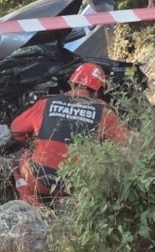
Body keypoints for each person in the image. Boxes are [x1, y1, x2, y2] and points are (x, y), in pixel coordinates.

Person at [10, 63, 129, 207]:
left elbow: (16, 130)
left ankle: (33, 207)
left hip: (40, 181)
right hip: (78, 185)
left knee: (16, 161)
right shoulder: (105, 113)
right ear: (98, 91)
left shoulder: (46, 103)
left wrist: (31, 143)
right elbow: (127, 144)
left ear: (72, 84)